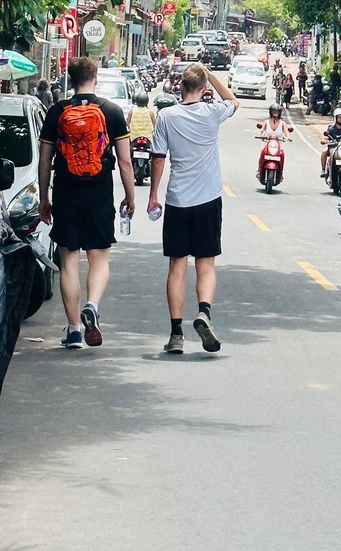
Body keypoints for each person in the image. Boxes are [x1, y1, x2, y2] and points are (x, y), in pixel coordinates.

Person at [38, 57, 135, 348]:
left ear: (70, 78)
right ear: (95, 78)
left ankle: (73, 329)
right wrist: (130, 195)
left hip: (66, 192)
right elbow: (126, 161)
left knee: (69, 259)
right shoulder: (112, 112)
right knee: (99, 257)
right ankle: (92, 305)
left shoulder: (57, 111)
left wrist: (44, 198)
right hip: (99, 192)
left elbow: (45, 161)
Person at [147, 64, 238, 355]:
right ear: (204, 89)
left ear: (180, 87)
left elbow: (158, 158)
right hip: (208, 200)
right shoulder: (212, 113)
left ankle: (176, 335)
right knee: (206, 264)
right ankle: (204, 313)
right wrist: (211, 75)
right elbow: (234, 101)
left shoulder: (166, 115)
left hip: (177, 201)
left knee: (177, 266)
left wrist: (153, 196)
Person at [320, 108, 341, 178]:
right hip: (333, 147)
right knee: (324, 151)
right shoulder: (331, 129)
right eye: (339, 117)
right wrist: (325, 141)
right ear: (335, 118)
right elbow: (325, 138)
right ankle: (323, 170)